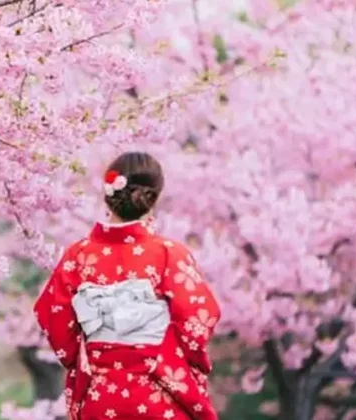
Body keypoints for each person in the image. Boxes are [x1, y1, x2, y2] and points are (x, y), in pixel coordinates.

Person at [33, 152, 221, 420]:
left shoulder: (78, 256)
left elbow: (52, 316)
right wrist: (166, 357)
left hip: (101, 397)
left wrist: (89, 359)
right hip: (160, 395)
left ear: (109, 196)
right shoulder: (169, 254)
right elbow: (199, 319)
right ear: (152, 199)